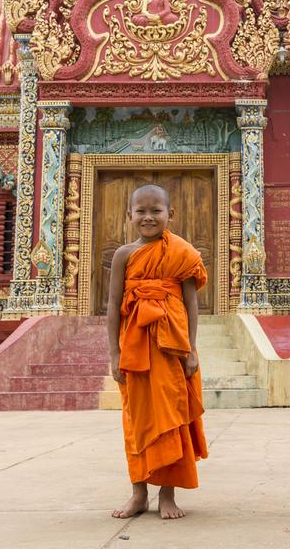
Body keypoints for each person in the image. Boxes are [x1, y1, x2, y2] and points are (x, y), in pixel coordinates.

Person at [107, 183, 208, 520]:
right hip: (134, 348)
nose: (148, 217)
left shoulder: (182, 253)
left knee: (171, 418)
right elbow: (113, 306)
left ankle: (167, 494)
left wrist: (191, 350)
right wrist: (113, 354)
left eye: (156, 211)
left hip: (171, 348)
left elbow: (191, 305)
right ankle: (138, 493)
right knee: (136, 420)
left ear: (170, 214)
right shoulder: (123, 255)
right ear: (129, 215)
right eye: (141, 211)